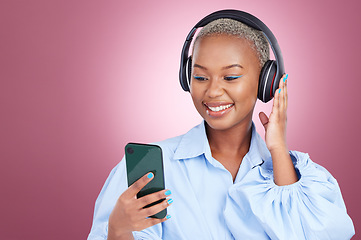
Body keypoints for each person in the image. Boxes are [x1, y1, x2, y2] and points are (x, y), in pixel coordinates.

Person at [87, 11, 355, 240]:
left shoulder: (297, 179)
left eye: (231, 76)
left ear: (267, 82)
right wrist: (117, 230)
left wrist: (278, 149)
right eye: (201, 76)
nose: (213, 91)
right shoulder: (153, 169)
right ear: (186, 78)